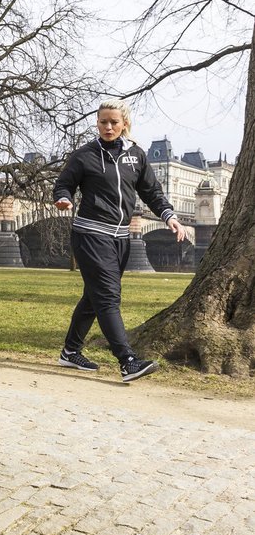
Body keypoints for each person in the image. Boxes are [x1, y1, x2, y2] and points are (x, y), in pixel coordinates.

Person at [53, 98, 186, 382]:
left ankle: (70, 351)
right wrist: (63, 198)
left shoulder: (136, 155)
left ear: (125, 123)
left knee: (94, 297)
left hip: (121, 238)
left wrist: (169, 216)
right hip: (90, 234)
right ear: (97, 123)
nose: (108, 127)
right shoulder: (84, 155)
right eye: (103, 122)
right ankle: (127, 361)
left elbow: (151, 191)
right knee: (108, 297)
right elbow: (64, 183)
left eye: (114, 122)